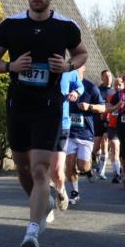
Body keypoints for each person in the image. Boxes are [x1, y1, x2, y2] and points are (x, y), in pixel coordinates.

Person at [0, 0, 87, 247]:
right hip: (19, 105)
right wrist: (11, 66)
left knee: (41, 168)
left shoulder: (65, 27)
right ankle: (44, 203)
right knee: (23, 169)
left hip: (49, 107)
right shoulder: (11, 25)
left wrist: (67, 66)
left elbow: (81, 54)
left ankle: (32, 231)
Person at [65, 64, 105, 205]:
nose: (74, 70)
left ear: (84, 68)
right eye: (72, 67)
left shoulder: (91, 87)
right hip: (69, 132)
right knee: (69, 164)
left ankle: (88, 170)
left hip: (86, 133)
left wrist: (90, 107)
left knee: (82, 166)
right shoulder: (65, 84)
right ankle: (74, 193)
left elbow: (103, 107)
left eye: (78, 67)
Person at [50, 66, 84, 212]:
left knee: (57, 171)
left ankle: (61, 189)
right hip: (40, 122)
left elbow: (80, 86)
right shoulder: (38, 64)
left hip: (62, 124)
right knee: (42, 168)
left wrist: (76, 92)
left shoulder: (69, 70)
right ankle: (46, 206)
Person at [102, 76, 124, 181]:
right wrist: (116, 107)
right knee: (115, 148)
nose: (118, 87)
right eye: (116, 84)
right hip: (113, 127)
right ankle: (117, 174)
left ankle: (120, 169)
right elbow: (107, 110)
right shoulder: (110, 97)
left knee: (122, 152)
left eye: (120, 84)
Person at [92, 69, 113, 177]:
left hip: (109, 121)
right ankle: (93, 159)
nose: (108, 78)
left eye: (109, 76)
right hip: (98, 120)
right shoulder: (97, 90)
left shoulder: (114, 92)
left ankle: (102, 171)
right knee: (96, 146)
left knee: (105, 143)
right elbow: (92, 105)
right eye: (105, 76)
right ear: (101, 78)